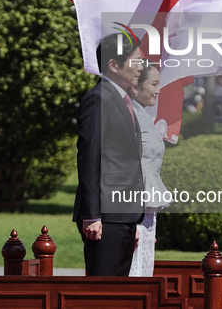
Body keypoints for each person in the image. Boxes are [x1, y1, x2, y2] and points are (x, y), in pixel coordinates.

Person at [73, 33, 145, 276]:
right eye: (135, 61)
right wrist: (92, 215)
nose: (140, 68)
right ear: (113, 65)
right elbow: (89, 158)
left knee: (120, 294)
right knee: (102, 292)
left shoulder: (123, 99)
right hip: (104, 217)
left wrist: (132, 219)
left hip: (122, 215)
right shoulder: (99, 99)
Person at [128, 62, 173, 277]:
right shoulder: (130, 116)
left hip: (147, 209)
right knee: (134, 273)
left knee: (143, 272)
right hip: (134, 208)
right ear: (136, 87)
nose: (158, 89)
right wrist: (131, 221)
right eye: (154, 84)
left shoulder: (144, 115)